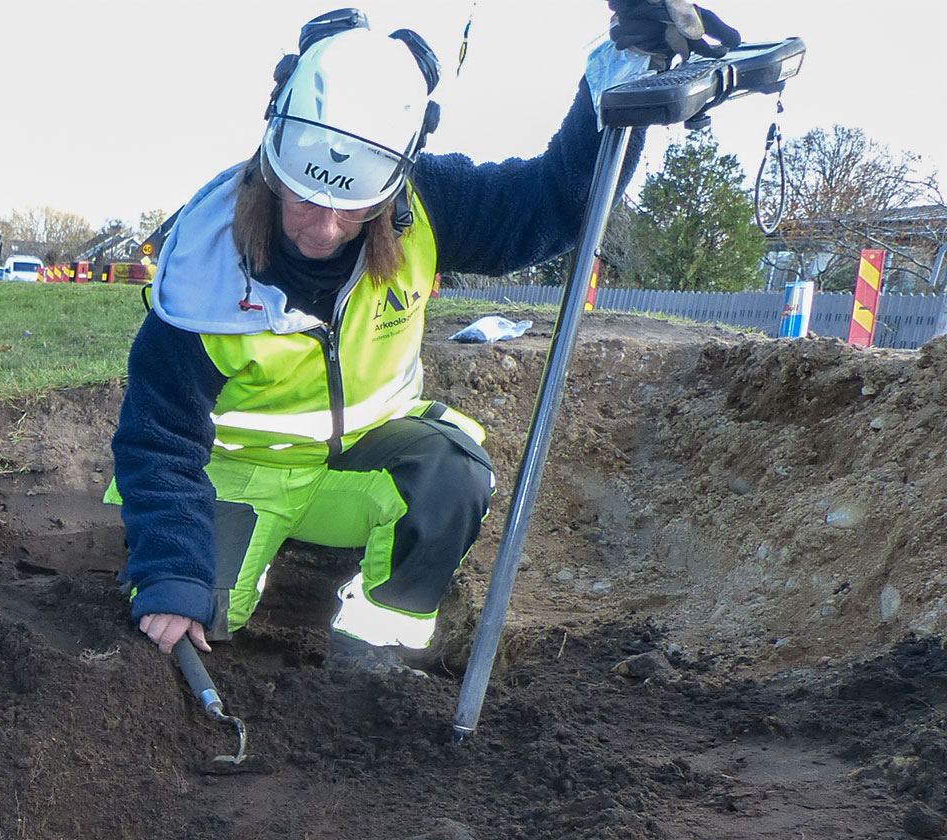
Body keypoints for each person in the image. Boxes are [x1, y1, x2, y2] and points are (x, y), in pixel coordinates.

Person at [109, 0, 740, 675]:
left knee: (453, 472)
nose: (322, 229)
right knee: (195, 610)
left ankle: (372, 667)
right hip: (233, 474)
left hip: (359, 462)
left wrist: (625, 72)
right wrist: (172, 569)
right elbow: (158, 437)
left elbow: (557, 201)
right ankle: (213, 572)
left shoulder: (425, 204)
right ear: (274, 160)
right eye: (303, 199)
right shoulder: (203, 269)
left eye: (352, 207)